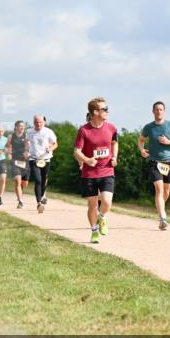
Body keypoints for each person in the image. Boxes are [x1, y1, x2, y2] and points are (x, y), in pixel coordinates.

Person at [73, 98, 118, 244]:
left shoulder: (111, 128)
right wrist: (87, 160)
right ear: (95, 112)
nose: (107, 111)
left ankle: (102, 217)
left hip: (107, 170)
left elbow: (114, 143)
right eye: (104, 109)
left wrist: (115, 156)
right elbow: (77, 152)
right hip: (89, 174)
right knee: (92, 205)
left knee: (106, 202)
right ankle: (93, 231)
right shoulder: (84, 130)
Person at [139, 101, 170, 230]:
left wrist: (168, 141)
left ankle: (160, 207)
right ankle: (163, 217)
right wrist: (142, 150)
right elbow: (141, 139)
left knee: (166, 191)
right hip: (154, 162)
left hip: (168, 163)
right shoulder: (148, 127)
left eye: (161, 109)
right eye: (156, 109)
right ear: (153, 112)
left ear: (164, 111)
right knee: (159, 190)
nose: (159, 111)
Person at [26, 115, 58, 213]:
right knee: (38, 180)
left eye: (40, 122)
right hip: (34, 159)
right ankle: (39, 203)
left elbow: (55, 144)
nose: (38, 124)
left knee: (44, 180)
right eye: (36, 122)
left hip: (46, 159)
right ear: (33, 122)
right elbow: (27, 142)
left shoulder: (49, 132)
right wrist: (26, 150)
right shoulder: (29, 132)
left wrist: (50, 149)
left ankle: (42, 195)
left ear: (44, 122)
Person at [7, 120, 30, 209]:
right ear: (16, 127)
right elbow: (7, 146)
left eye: (23, 126)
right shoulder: (11, 136)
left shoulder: (26, 136)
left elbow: (28, 146)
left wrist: (27, 152)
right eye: (20, 126)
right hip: (15, 161)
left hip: (24, 161)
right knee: (17, 180)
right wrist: (9, 153)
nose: (22, 127)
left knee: (24, 184)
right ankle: (20, 200)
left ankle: (20, 193)